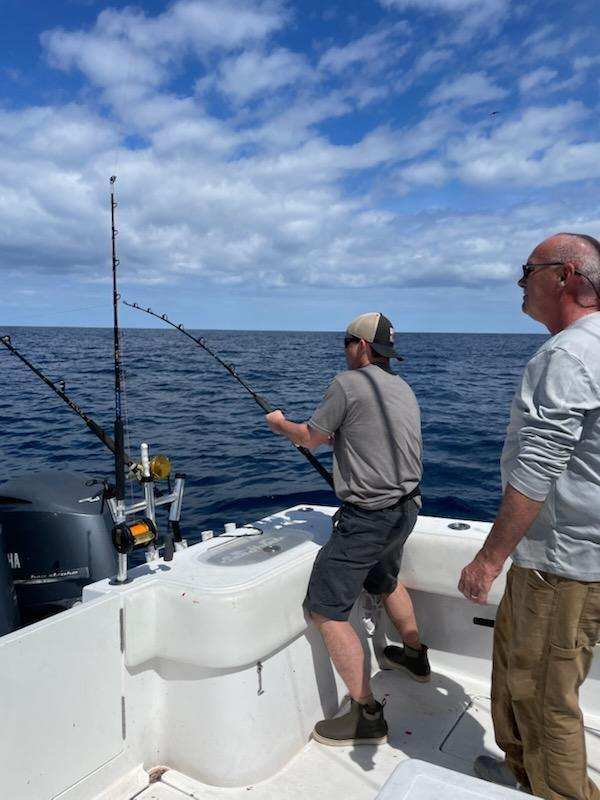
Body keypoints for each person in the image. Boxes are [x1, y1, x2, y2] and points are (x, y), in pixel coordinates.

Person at [458, 233, 600, 800]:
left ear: (565, 276)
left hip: (561, 566)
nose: (519, 281)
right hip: (554, 558)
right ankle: (523, 777)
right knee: (517, 680)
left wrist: (488, 560)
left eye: (528, 269)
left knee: (543, 701)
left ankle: (556, 790)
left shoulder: (567, 354)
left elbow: (540, 463)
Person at [266, 312, 427, 747]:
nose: (344, 350)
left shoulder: (347, 383)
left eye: (346, 342)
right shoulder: (402, 387)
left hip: (369, 517)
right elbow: (366, 435)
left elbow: (309, 437)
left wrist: (279, 424)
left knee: (325, 609)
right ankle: (415, 656)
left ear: (361, 346)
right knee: (385, 579)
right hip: (406, 508)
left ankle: (366, 716)